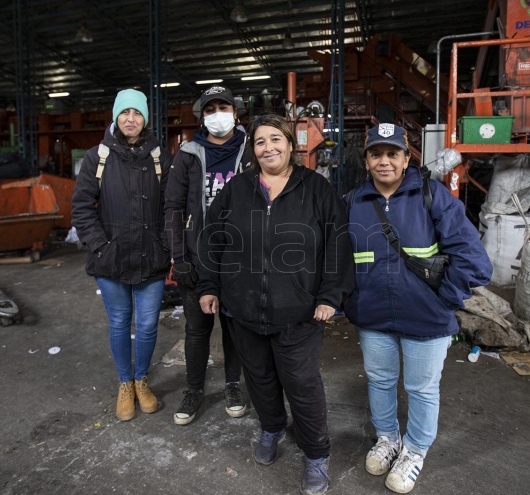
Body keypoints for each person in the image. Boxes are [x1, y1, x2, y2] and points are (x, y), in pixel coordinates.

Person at [197, 114, 355, 495]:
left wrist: (330, 296)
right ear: (253, 150)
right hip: (244, 309)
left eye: (275, 139)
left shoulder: (316, 189)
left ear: (290, 143)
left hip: (299, 312)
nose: (268, 148)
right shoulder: (237, 189)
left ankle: (316, 454)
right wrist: (209, 286)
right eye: (260, 142)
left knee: (301, 383)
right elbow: (211, 239)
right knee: (260, 379)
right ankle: (271, 429)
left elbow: (338, 244)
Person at [344, 124, 491, 494]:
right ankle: (388, 439)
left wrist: (445, 299)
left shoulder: (432, 195)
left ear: (407, 158)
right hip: (373, 317)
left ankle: (414, 450)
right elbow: (336, 259)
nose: (384, 161)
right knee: (380, 380)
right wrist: (350, 300)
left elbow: (473, 258)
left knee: (422, 388)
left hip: (426, 317)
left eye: (393, 153)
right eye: (376, 154)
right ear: (366, 161)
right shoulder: (352, 203)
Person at [71, 89, 172, 422]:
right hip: (110, 257)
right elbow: (81, 207)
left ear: (146, 119)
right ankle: (124, 383)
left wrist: (168, 245)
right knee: (118, 323)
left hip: (151, 257)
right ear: (115, 116)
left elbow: (171, 205)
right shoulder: (97, 157)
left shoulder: (159, 156)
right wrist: (101, 246)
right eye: (125, 112)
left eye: (138, 113)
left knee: (145, 325)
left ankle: (141, 380)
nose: (131, 118)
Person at [164, 85, 251, 425]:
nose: (218, 114)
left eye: (223, 107)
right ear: (202, 115)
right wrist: (178, 257)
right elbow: (172, 207)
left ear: (235, 112)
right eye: (211, 108)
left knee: (234, 328)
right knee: (197, 328)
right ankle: (194, 389)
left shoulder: (250, 149)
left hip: (239, 258)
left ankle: (232, 385)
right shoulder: (187, 154)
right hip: (198, 256)